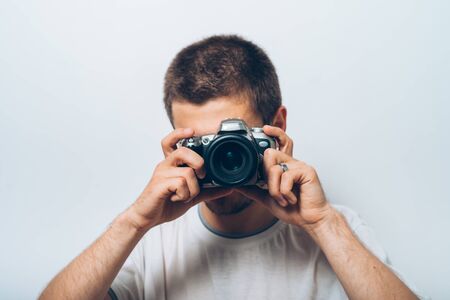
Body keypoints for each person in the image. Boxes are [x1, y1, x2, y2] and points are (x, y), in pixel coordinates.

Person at [39, 34, 424, 300]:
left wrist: (322, 224)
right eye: (203, 145)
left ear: (278, 126)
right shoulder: (150, 239)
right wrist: (134, 222)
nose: (224, 159)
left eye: (235, 140)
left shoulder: (335, 228)